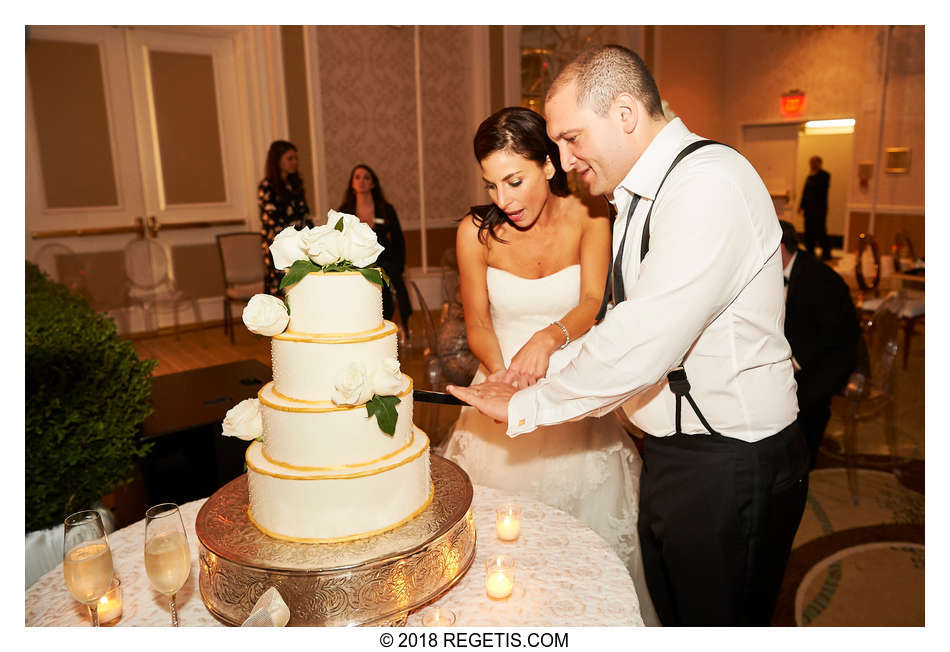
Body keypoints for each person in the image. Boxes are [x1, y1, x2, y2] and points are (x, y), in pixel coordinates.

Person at [448, 45, 810, 626]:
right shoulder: (637, 198)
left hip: (730, 457)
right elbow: (617, 325)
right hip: (674, 451)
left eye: (570, 139)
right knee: (670, 612)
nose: (562, 161)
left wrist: (529, 403)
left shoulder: (706, 184)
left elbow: (642, 343)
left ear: (623, 113)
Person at [440, 106, 658, 625]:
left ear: (549, 165)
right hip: (498, 385)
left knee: (587, 552)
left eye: (514, 180)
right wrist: (504, 379)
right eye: (492, 186)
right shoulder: (476, 231)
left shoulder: (590, 216)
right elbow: (477, 323)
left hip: (574, 384)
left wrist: (548, 338)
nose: (504, 200)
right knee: (499, 553)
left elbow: (591, 303)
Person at [779, 220, 860, 468]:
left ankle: (801, 462)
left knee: (802, 403)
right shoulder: (778, 272)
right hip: (802, 350)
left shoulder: (820, 279)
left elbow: (832, 336)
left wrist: (794, 362)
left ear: (778, 246)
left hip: (830, 360)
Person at [337, 164, 412, 334]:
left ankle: (395, 327)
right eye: (357, 177)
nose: (361, 181)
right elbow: (338, 241)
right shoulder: (345, 211)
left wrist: (399, 268)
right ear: (351, 183)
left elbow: (399, 240)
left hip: (385, 262)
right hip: (356, 265)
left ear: (373, 183)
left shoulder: (386, 209)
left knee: (390, 288)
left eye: (366, 177)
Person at [258, 140, 313, 295]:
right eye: (290, 158)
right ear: (277, 161)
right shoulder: (267, 186)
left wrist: (314, 237)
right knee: (281, 289)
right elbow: (272, 220)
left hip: (299, 244)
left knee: (300, 289)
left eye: (296, 158)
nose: (294, 162)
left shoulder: (296, 184)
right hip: (278, 245)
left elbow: (305, 215)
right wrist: (293, 237)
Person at [799, 155, 832, 260]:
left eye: (814, 162)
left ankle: (826, 253)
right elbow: (805, 192)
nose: (812, 165)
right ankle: (810, 253)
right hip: (808, 210)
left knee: (821, 232)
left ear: (819, 163)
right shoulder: (809, 176)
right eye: (810, 162)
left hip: (819, 210)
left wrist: (813, 176)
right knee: (808, 232)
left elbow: (821, 190)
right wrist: (801, 206)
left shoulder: (825, 175)